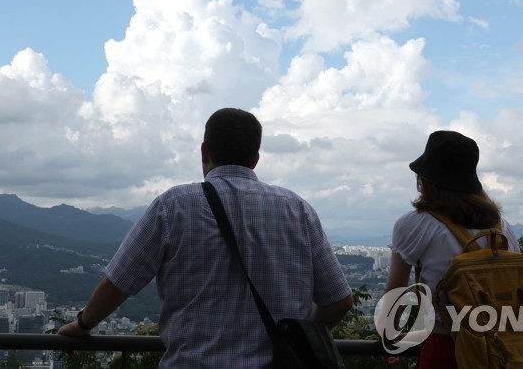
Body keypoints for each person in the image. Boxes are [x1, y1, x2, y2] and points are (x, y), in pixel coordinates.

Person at [59, 107, 354, 367]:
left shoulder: (173, 205)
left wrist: (83, 323)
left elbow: (119, 281)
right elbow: (339, 300)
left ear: (204, 151)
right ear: (255, 158)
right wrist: (298, 342)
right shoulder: (297, 209)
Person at [385, 130, 519, 369]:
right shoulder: (502, 229)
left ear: (425, 178)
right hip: (502, 350)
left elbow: (396, 288)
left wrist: (390, 337)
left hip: (446, 346)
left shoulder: (415, 224)